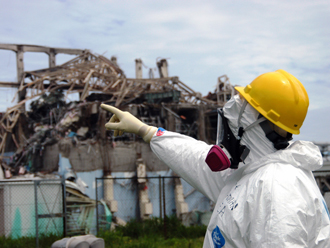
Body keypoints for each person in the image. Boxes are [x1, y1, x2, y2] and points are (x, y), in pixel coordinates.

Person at [101, 69, 330, 247]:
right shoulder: (253, 170)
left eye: (243, 105)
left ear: (254, 121)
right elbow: (193, 157)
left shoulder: (277, 189)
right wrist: (146, 131)